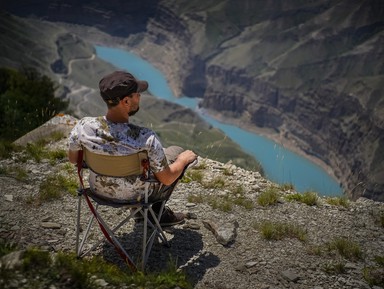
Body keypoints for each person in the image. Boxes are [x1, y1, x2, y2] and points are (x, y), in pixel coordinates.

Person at [68, 70, 198, 226]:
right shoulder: (145, 137)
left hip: (99, 191)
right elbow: (167, 179)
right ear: (126, 101)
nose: (140, 96)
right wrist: (183, 160)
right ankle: (155, 214)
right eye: (137, 94)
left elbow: (74, 159)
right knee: (176, 152)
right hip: (138, 196)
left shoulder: (83, 127)